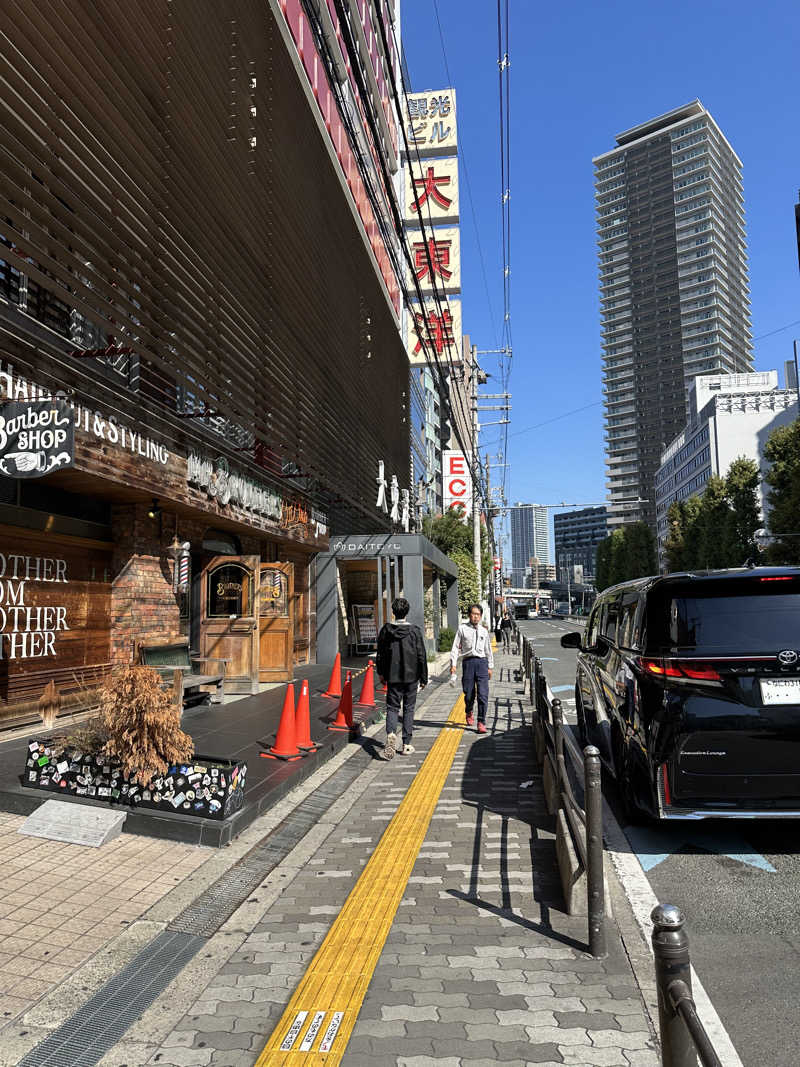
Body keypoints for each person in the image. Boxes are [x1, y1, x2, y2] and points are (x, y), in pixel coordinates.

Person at [376, 597, 428, 760]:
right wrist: (424, 677)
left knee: (392, 707)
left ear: (393, 612)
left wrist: (381, 673)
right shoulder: (414, 631)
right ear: (407, 611)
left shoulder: (386, 630)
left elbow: (381, 654)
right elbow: (421, 655)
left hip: (393, 676)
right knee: (409, 708)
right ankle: (406, 743)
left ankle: (391, 734)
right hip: (411, 677)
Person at [450, 603, 493, 733]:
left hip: (482, 663)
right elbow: (455, 647)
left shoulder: (484, 631)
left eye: (478, 615)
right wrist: (453, 664)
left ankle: (481, 722)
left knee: (483, 694)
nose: (475, 617)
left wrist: (490, 666)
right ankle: (469, 711)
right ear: (469, 615)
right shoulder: (462, 629)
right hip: (468, 663)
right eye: (473, 614)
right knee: (468, 693)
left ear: (480, 616)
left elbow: (488, 650)